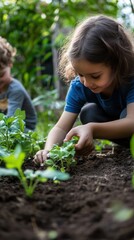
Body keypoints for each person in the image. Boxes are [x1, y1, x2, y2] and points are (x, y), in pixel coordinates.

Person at [34, 15, 134, 165]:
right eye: (80, 74)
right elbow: (61, 127)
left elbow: (131, 121)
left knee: (125, 114)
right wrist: (48, 151)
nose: (87, 83)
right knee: (89, 112)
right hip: (124, 133)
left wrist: (92, 128)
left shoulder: (131, 77)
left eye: (95, 76)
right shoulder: (79, 86)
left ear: (117, 63)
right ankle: (127, 147)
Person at [0, 36, 37, 131]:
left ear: (10, 64)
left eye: (1, 75)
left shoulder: (15, 90)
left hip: (24, 130)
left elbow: (11, 122)